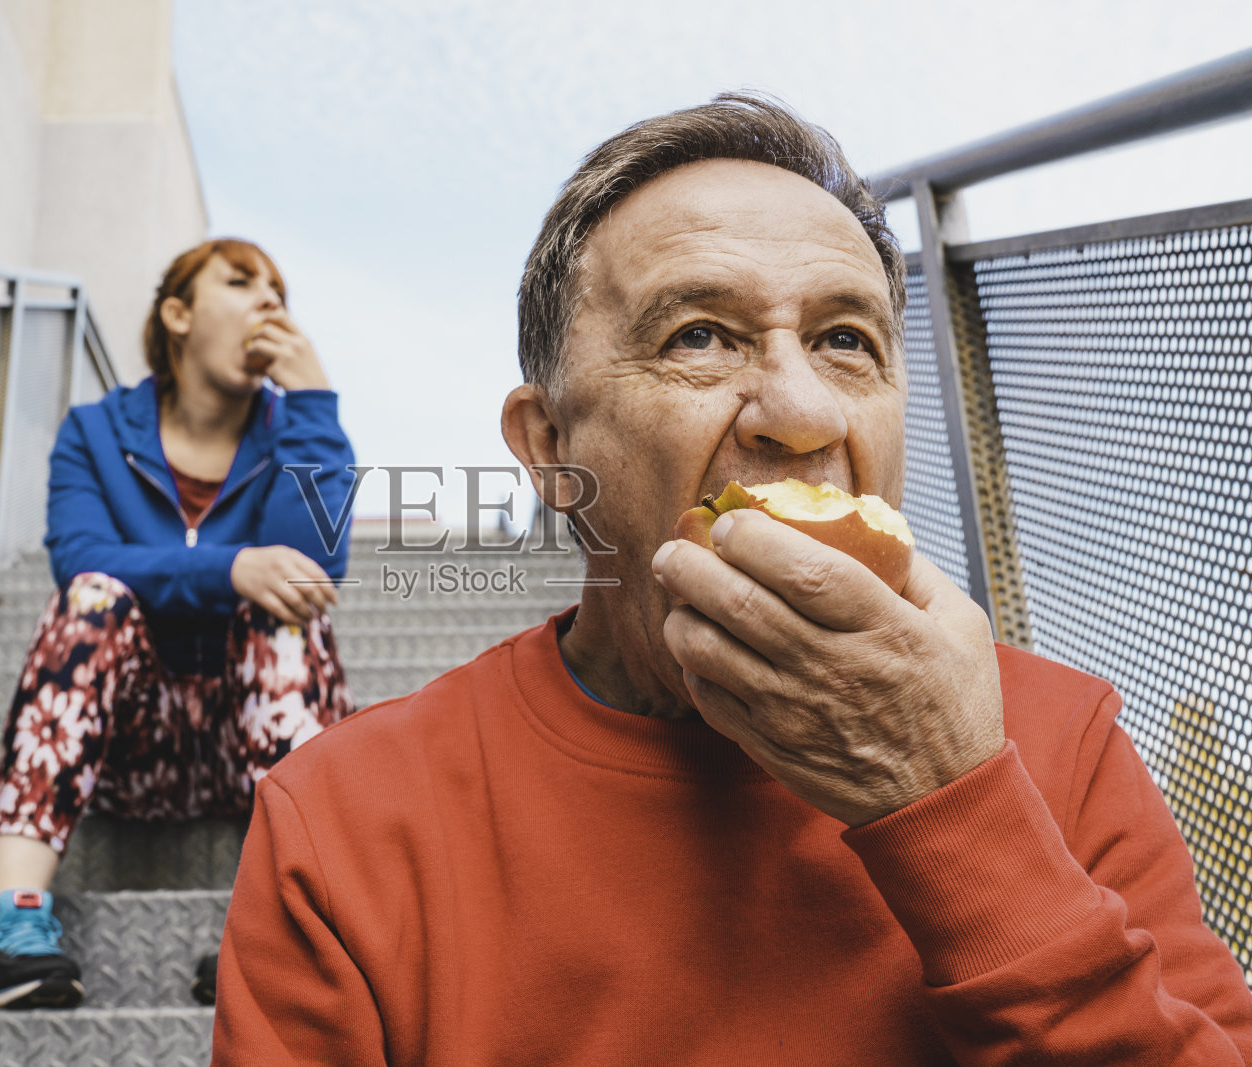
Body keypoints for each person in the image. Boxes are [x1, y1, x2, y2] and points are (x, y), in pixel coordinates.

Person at [211, 96, 1252, 1063]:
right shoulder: (344, 820)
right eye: (698, 336)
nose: (800, 412)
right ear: (548, 445)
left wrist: (952, 810)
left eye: (846, 340)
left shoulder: (1058, 743)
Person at [0, 238, 357, 1011]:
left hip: (257, 755)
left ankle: (282, 930)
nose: (270, 300)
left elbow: (309, 573)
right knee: (97, 596)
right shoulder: (96, 432)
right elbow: (79, 559)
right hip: (130, 754)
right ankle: (8, 923)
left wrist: (312, 405)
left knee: (279, 610)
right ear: (178, 314)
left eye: (279, 289)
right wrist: (229, 566)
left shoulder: (295, 429)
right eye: (241, 282)